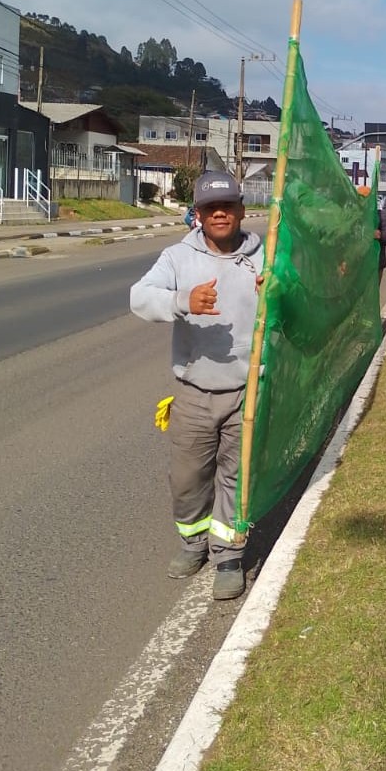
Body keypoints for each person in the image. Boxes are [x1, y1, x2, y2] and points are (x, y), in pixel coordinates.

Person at [130, 171, 264, 601]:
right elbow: (139, 297)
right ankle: (193, 543)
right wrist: (181, 301)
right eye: (210, 208)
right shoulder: (177, 258)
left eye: (227, 206)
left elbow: (300, 303)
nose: (219, 214)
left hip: (248, 391)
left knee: (237, 478)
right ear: (199, 214)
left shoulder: (266, 255)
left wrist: (281, 289)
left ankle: (229, 557)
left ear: (241, 210)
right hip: (193, 392)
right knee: (188, 478)